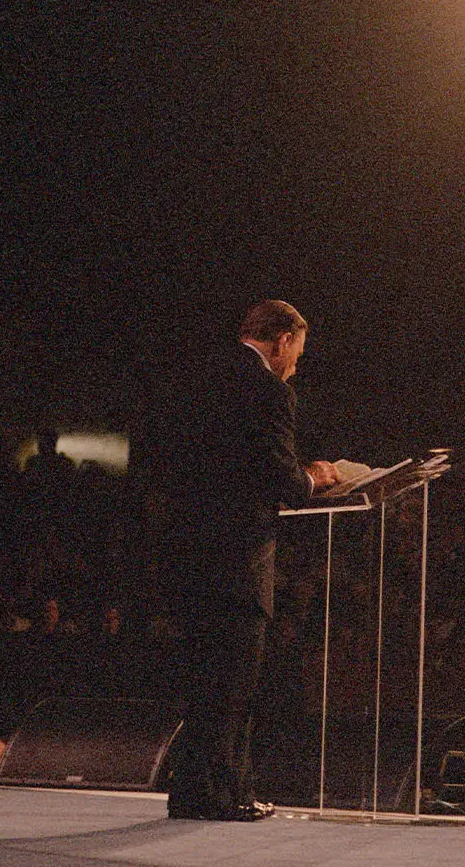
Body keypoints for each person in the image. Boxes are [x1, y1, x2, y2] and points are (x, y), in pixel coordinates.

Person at [166, 300, 338, 823]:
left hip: (190, 554)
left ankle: (190, 791)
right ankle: (223, 796)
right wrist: (317, 477)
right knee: (233, 686)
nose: (297, 364)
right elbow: (279, 477)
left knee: (202, 682)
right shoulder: (269, 391)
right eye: (298, 352)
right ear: (282, 340)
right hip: (239, 559)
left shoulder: (198, 380)